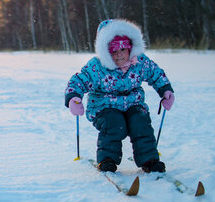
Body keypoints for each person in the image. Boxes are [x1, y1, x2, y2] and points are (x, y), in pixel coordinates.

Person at [64, 19, 175, 173]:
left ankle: (149, 159)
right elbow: (79, 80)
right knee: (114, 123)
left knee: (140, 121)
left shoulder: (140, 62)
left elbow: (155, 74)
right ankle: (107, 160)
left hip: (133, 104)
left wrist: (165, 91)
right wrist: (73, 98)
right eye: (113, 51)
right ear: (105, 52)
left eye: (123, 49)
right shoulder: (97, 67)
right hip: (104, 106)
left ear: (130, 47)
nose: (119, 55)